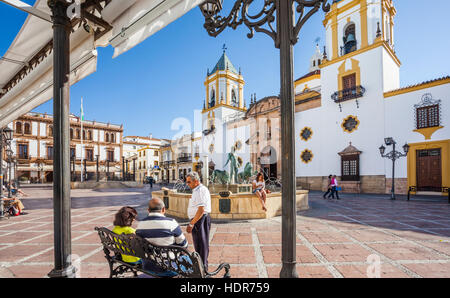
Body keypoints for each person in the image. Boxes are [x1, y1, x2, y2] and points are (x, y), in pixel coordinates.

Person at [136, 198, 188, 277]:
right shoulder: (171, 223)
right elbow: (184, 245)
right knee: (188, 260)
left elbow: (139, 245)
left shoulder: (140, 224)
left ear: (148, 210)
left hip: (148, 267)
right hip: (170, 269)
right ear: (163, 209)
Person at [185, 172, 211, 270]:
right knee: (199, 244)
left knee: (201, 244)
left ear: (196, 181)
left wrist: (191, 224)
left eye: (189, 182)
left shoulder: (200, 190)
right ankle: (201, 266)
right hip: (199, 219)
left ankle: (202, 267)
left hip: (200, 220)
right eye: (187, 182)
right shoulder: (197, 190)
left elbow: (201, 210)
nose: (187, 184)